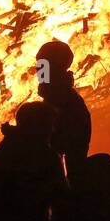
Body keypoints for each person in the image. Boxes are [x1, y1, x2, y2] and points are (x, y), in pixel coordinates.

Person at [35, 40, 92, 174]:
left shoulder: (64, 102)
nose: (38, 70)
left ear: (55, 68)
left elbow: (52, 145)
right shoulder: (57, 98)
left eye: (43, 65)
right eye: (38, 65)